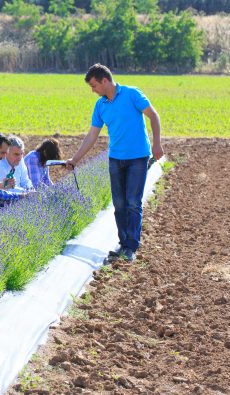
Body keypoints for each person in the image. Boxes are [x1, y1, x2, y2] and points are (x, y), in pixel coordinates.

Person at [67, 63, 163, 262]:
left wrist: (157, 144)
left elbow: (153, 115)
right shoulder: (100, 105)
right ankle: (123, 243)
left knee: (133, 203)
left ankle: (131, 247)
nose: (93, 90)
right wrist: (75, 159)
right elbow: (92, 135)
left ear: (105, 80)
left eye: (94, 86)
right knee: (119, 204)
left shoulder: (131, 94)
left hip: (138, 157)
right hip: (116, 159)